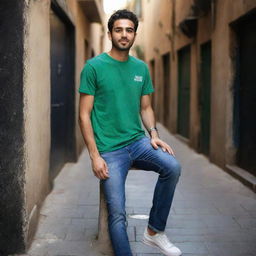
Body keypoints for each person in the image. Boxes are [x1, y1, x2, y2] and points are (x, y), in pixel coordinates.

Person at [78, 9, 182, 256]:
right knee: (117, 214)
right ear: (110, 32)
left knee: (173, 167)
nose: (124, 35)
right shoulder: (93, 67)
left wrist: (154, 134)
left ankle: (154, 232)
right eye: (119, 30)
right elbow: (84, 115)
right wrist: (95, 156)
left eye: (129, 30)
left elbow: (146, 107)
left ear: (134, 34)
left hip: (137, 141)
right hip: (110, 150)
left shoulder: (141, 68)